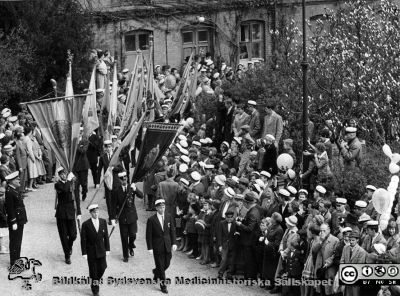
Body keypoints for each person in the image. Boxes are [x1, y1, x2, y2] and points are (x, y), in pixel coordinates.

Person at [146, 199, 177, 294]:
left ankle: (156, 272)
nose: (162, 209)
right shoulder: (151, 220)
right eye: (160, 207)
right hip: (157, 246)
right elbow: (148, 235)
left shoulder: (168, 216)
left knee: (167, 263)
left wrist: (174, 242)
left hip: (167, 244)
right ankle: (163, 285)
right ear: (156, 208)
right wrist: (150, 247)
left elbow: (172, 230)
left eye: (163, 207)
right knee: (160, 264)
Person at [111, 173, 143, 262]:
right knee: (124, 237)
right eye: (122, 179)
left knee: (133, 234)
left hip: (132, 215)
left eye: (125, 179)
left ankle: (131, 245)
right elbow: (113, 205)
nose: (124, 181)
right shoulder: (116, 190)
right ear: (119, 180)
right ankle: (125, 256)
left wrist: (135, 189)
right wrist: (113, 218)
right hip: (123, 217)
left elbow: (141, 196)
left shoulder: (131, 187)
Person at [81, 204, 110, 296]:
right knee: (93, 271)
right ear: (90, 213)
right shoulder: (86, 224)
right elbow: (83, 240)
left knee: (103, 267)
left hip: (101, 250)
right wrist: (84, 252)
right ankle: (95, 289)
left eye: (97, 212)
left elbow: (106, 237)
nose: (96, 214)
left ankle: (95, 280)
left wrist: (107, 248)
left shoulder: (103, 222)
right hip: (91, 251)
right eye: (94, 212)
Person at [55, 167, 81, 264]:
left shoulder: (71, 182)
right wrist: (69, 180)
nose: (63, 175)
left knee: (73, 235)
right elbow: (65, 190)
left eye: (65, 174)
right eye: (61, 174)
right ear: (59, 175)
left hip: (70, 212)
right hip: (61, 213)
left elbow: (76, 196)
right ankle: (67, 255)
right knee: (63, 235)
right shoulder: (58, 184)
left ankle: (69, 246)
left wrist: (79, 212)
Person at [236, 192, 261, 280]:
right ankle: (249, 277)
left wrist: (239, 224)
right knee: (249, 260)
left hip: (249, 241)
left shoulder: (252, 212)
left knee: (249, 260)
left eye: (244, 202)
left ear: (247, 202)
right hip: (250, 240)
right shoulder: (254, 210)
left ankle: (249, 278)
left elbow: (250, 228)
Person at [4, 171, 27, 267]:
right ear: (12, 181)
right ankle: (13, 262)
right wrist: (13, 221)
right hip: (15, 220)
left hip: (20, 218)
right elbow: (10, 208)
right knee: (14, 241)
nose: (18, 180)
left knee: (18, 240)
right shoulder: (9, 192)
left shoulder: (15, 189)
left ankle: (16, 259)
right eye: (16, 179)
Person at [340, 230, 367, 296]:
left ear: (357, 240)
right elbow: (342, 261)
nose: (351, 242)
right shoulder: (345, 248)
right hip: (345, 275)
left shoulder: (361, 251)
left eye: (353, 240)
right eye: (350, 240)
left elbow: (359, 266)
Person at [217, 209, 237, 279]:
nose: (229, 219)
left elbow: (237, 234)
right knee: (224, 259)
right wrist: (219, 245)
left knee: (232, 259)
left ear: (233, 217)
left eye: (231, 217)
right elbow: (219, 235)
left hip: (233, 244)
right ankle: (220, 273)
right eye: (228, 217)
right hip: (224, 244)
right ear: (225, 217)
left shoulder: (235, 223)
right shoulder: (221, 223)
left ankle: (229, 274)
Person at [73, 128, 90, 201]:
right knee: (76, 183)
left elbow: (83, 151)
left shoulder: (85, 141)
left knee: (83, 182)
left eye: (80, 132)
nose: (79, 133)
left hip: (83, 166)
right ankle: (76, 196)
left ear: (82, 133)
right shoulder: (73, 141)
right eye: (78, 132)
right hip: (75, 165)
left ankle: (84, 192)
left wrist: (77, 145)